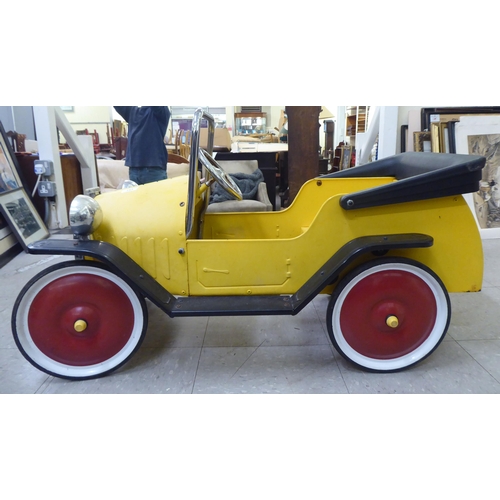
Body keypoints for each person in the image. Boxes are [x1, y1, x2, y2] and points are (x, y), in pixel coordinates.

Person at [113, 106, 171, 185]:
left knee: (156, 197)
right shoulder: (132, 112)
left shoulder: (161, 111)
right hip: (134, 170)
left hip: (153, 171)